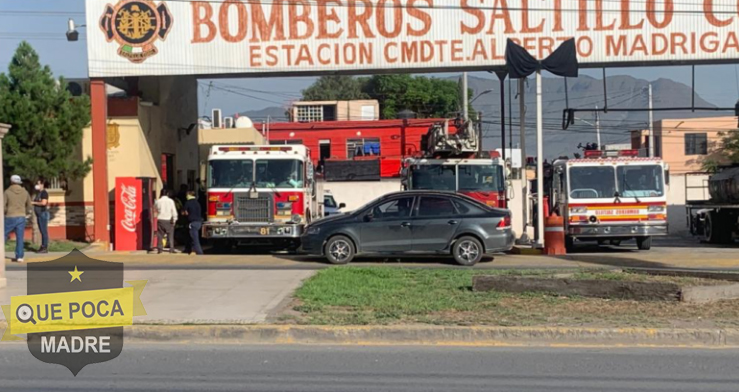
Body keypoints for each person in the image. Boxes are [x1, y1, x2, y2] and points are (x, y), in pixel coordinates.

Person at [4, 175, 32, 262]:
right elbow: (29, 205)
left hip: (10, 216)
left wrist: (5, 212)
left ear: (11, 182)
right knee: (20, 237)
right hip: (21, 216)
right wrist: (26, 213)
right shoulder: (25, 192)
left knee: (3, 235)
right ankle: (19, 256)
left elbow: (3, 205)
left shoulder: (7, 192)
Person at [154, 189, 178, 254]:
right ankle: (171, 248)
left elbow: (155, 209)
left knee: (160, 235)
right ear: (167, 194)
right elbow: (174, 211)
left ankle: (160, 249)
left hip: (160, 219)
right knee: (170, 235)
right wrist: (175, 219)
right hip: (168, 220)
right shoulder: (171, 201)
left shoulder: (158, 201)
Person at [182, 190, 203, 255]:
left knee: (194, 238)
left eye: (187, 195)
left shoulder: (188, 203)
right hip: (199, 222)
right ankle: (189, 249)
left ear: (189, 195)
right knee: (191, 237)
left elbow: (184, 212)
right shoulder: (197, 203)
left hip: (192, 222)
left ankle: (199, 252)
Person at [32, 178, 50, 253]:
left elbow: (43, 203)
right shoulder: (38, 193)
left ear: (42, 185)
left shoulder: (44, 193)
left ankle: (44, 247)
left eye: (39, 183)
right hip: (39, 214)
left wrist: (33, 203)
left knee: (43, 231)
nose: (37, 185)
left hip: (43, 214)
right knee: (42, 231)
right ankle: (43, 246)